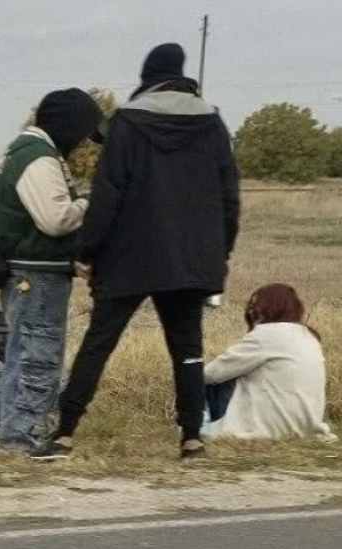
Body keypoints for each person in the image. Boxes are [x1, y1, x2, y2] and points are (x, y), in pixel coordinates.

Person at [54, 43, 241, 459]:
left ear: (147, 75)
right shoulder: (213, 123)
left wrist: (87, 249)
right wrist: (220, 253)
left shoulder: (126, 121)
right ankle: (192, 437)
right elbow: (229, 196)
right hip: (191, 257)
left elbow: (109, 192)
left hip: (129, 255)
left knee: (99, 342)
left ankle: (64, 432)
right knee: (188, 348)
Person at [0, 88, 104, 460]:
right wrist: (91, 202)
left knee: (21, 354)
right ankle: (21, 439)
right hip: (36, 279)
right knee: (38, 357)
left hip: (29, 276)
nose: (83, 142)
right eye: (84, 133)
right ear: (69, 125)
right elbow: (55, 220)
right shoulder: (37, 158)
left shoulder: (25, 151)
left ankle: (13, 433)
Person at [202, 283, 337, 442]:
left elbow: (211, 373)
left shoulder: (265, 335)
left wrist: (186, 373)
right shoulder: (309, 337)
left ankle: (199, 427)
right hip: (306, 426)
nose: (251, 312)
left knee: (208, 378)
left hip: (269, 429)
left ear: (265, 309)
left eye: (254, 306)